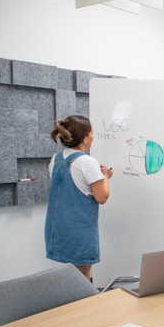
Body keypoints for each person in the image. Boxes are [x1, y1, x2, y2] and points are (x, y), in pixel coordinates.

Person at [44, 115, 113, 280]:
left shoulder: (56, 159)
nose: (93, 136)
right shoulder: (87, 162)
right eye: (92, 132)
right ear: (84, 137)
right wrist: (106, 176)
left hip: (58, 227)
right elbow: (102, 197)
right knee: (83, 275)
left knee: (72, 275)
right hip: (79, 229)